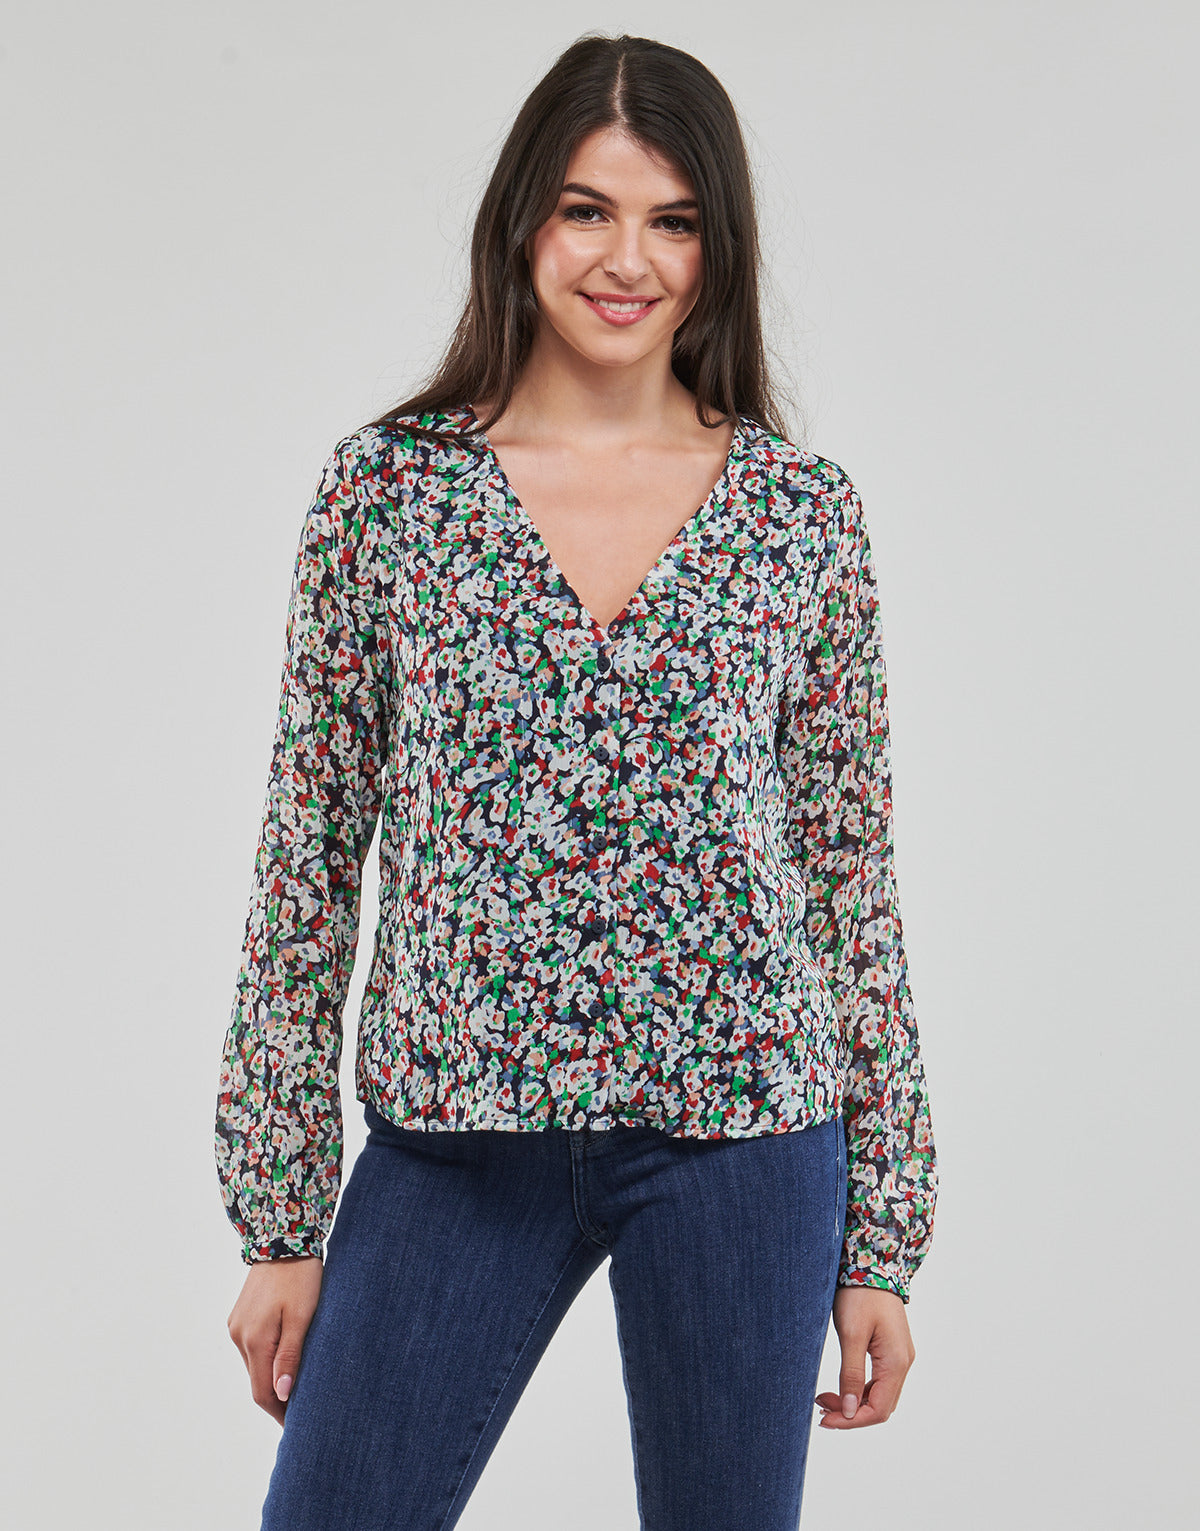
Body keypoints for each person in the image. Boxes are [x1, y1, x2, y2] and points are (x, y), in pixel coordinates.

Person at [216, 31, 937, 1531]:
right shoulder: (388, 495)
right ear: (523, 222)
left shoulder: (800, 515)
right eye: (587, 210)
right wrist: (281, 1212)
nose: (628, 260)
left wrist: (883, 1236)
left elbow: (850, 882)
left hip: (744, 1131)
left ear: (718, 248)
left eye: (674, 220)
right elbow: (307, 865)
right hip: (454, 1133)